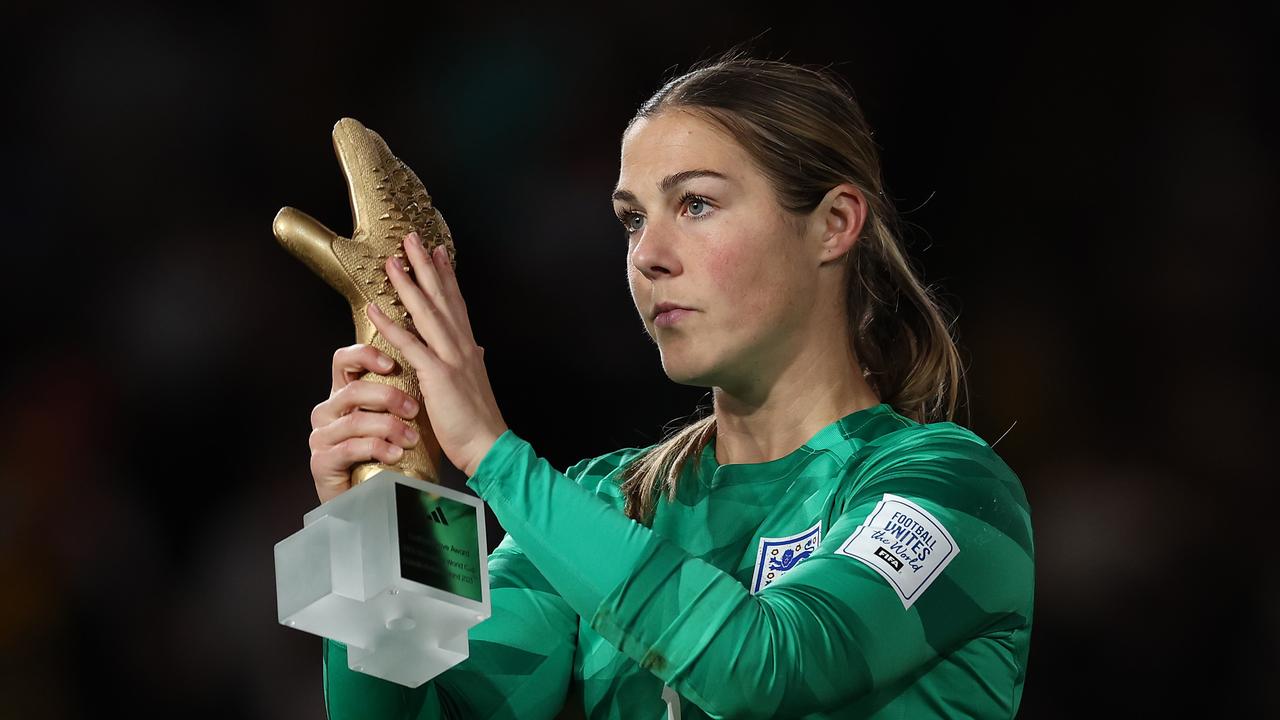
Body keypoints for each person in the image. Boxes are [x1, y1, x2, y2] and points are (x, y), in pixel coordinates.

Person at [305, 51, 1034, 720]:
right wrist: (386, 510)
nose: (648, 255)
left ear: (834, 223)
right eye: (631, 220)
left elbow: (765, 668)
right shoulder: (604, 506)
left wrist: (495, 459)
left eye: (696, 205)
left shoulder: (950, 490)